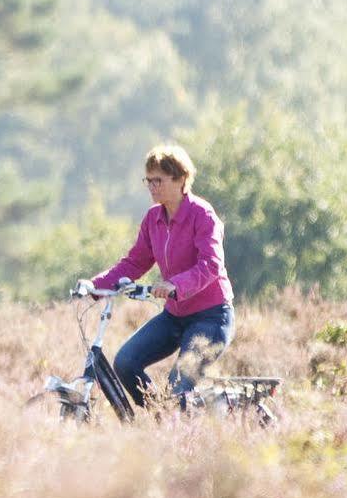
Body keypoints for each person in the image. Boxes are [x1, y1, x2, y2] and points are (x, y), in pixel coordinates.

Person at [77, 142, 235, 408]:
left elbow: (211, 265)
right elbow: (134, 262)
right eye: (148, 181)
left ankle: (177, 427)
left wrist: (175, 285)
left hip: (211, 317)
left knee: (178, 385)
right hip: (175, 317)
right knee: (126, 362)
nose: (152, 187)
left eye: (158, 180)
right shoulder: (153, 218)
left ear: (181, 179)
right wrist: (94, 285)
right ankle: (164, 420)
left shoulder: (202, 215)